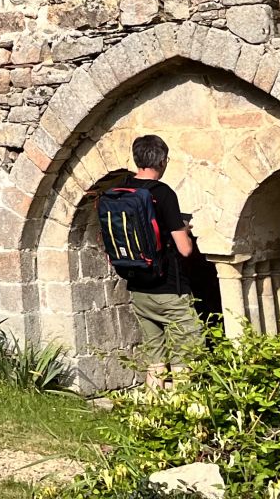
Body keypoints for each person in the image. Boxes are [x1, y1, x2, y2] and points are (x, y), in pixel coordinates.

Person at [118, 134, 202, 384]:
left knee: (155, 355)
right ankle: (183, 403)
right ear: (163, 161)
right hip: (169, 289)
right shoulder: (163, 193)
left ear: (137, 159)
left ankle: (154, 403)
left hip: (138, 288)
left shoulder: (121, 190)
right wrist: (184, 230)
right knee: (186, 351)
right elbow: (184, 249)